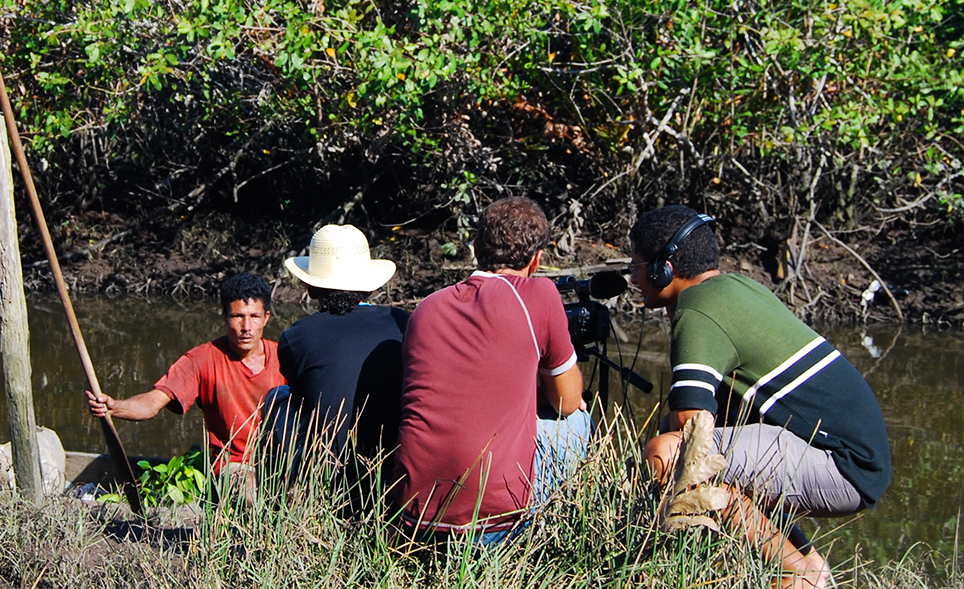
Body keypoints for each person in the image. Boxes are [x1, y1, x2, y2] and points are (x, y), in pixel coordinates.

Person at [631, 204, 892, 589]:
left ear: (665, 268)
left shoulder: (698, 309)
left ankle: (798, 571)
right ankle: (807, 563)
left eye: (638, 265)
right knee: (683, 442)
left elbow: (691, 429)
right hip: (854, 455)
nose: (633, 277)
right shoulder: (737, 288)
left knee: (667, 453)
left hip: (841, 463)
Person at [394, 196, 589, 542]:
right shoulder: (540, 293)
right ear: (537, 259)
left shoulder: (427, 307)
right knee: (576, 422)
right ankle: (539, 535)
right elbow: (568, 401)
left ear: (475, 247)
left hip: (413, 513)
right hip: (491, 524)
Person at [86, 272, 284, 483]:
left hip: (280, 463)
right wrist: (114, 406)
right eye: (237, 316)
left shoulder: (286, 358)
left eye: (254, 317)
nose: (246, 327)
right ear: (225, 317)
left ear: (266, 318)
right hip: (234, 467)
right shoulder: (203, 358)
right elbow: (153, 402)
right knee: (249, 494)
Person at [270, 224, 408, 490]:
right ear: (369, 284)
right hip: (396, 470)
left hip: (334, 476)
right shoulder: (402, 322)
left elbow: (303, 402)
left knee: (276, 397)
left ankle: (279, 499)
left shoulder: (298, 336)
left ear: (311, 286)